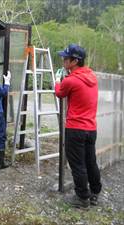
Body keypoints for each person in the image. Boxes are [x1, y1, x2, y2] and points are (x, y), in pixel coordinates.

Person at [55, 44, 102, 208]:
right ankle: (95, 193)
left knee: (77, 165)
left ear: (75, 61)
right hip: (91, 128)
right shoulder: (92, 76)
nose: (63, 60)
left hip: (75, 129)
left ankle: (82, 198)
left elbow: (60, 93)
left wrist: (56, 81)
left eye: (66, 58)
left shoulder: (70, 80)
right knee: (90, 162)